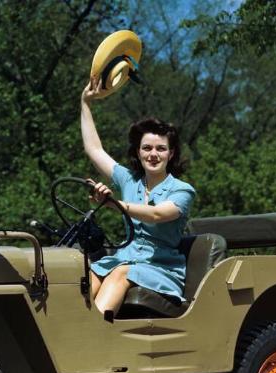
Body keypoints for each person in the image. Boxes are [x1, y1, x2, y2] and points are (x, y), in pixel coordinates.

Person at [80, 77, 196, 320]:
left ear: (170, 153)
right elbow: (94, 150)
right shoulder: (129, 179)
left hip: (161, 268)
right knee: (86, 276)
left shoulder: (182, 190)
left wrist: (115, 205)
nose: (153, 154)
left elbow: (157, 214)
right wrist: (85, 104)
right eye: (147, 148)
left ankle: (95, 336)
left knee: (121, 273)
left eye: (160, 148)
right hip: (123, 259)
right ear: (138, 152)